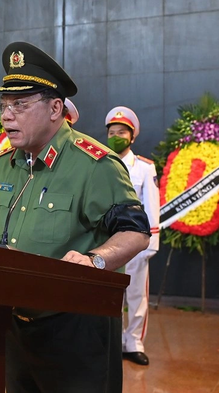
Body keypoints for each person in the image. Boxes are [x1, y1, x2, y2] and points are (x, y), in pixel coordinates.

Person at [0, 42, 151, 393]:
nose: (7, 115)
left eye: (20, 104)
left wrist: (95, 261)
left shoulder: (94, 164)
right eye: (4, 105)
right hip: (14, 323)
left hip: (76, 329)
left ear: (55, 108)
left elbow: (135, 232)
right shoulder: (8, 163)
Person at [105, 106, 160, 366]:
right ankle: (112, 341)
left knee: (137, 294)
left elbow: (152, 205)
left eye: (121, 132)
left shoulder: (145, 168)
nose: (116, 136)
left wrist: (151, 245)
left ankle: (134, 342)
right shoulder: (102, 164)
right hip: (107, 242)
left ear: (132, 137)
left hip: (137, 241)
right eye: (112, 132)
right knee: (109, 293)